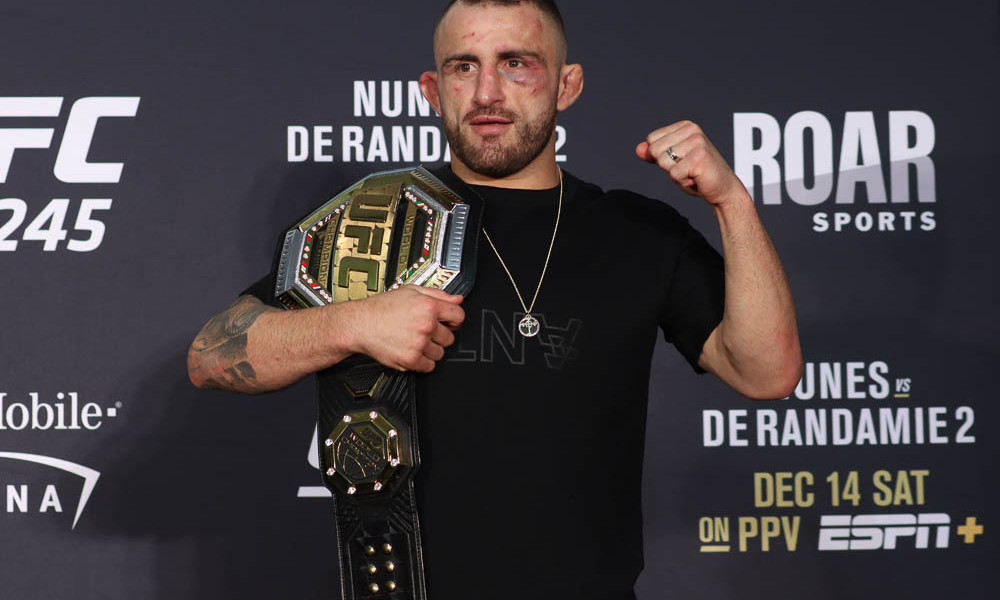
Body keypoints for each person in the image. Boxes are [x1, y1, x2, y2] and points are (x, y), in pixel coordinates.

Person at [188, 1, 802, 598]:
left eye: (516, 64)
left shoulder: (640, 232)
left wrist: (731, 201)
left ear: (567, 85)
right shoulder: (376, 222)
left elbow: (766, 373)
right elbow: (210, 357)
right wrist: (350, 324)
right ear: (433, 91)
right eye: (464, 67)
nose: (486, 93)